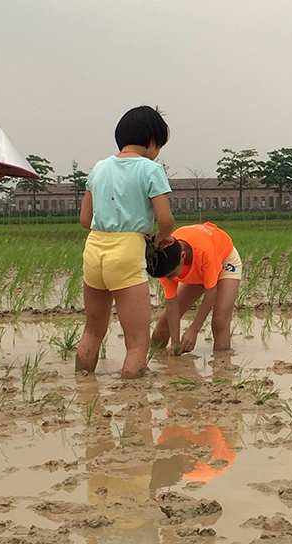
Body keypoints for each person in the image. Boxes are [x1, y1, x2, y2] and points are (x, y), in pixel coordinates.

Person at [76, 106, 174, 379]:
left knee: (92, 331)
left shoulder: (99, 168)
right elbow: (166, 221)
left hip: (94, 250)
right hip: (128, 251)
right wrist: (159, 240)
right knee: (137, 342)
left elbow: (85, 219)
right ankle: (134, 405)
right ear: (152, 141)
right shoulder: (151, 169)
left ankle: (82, 388)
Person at [147, 222, 242, 354]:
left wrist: (194, 329)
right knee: (164, 322)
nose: (169, 279)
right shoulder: (164, 262)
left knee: (219, 322)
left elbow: (211, 292)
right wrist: (175, 343)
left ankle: (222, 367)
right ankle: (155, 356)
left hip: (224, 260)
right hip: (199, 267)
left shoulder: (203, 251)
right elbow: (172, 304)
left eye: (172, 275)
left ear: (183, 257)